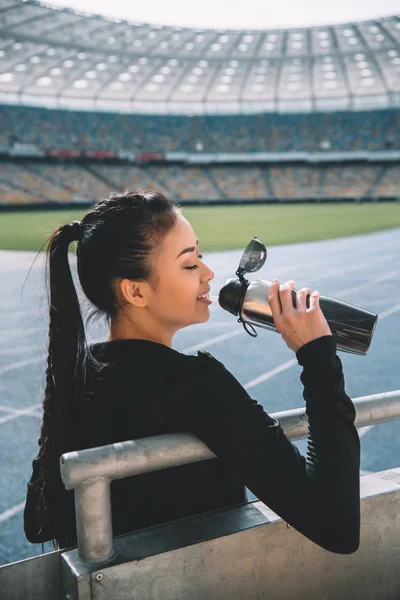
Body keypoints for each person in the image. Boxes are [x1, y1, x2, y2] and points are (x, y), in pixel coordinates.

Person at [23, 188, 360, 554]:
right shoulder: (196, 387)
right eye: (189, 264)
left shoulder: (76, 376)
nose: (209, 273)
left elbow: (38, 522)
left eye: (200, 256)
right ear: (135, 292)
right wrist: (318, 358)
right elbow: (335, 525)